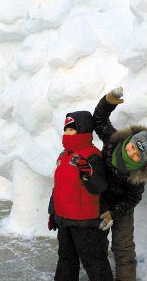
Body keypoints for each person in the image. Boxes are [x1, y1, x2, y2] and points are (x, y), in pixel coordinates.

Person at [93, 87, 147, 281]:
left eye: (137, 155)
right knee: (96, 244)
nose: (131, 153)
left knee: (123, 249)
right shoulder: (113, 141)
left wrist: (113, 213)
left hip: (121, 207)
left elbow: (133, 198)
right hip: (99, 199)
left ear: (144, 161)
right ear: (131, 140)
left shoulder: (138, 175)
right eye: (133, 147)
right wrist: (109, 101)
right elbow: (99, 119)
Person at [48, 111, 113, 281]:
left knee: (94, 261)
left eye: (72, 130)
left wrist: (88, 173)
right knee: (66, 259)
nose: (68, 134)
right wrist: (52, 212)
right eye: (66, 130)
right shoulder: (63, 155)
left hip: (86, 222)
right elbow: (58, 187)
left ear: (83, 130)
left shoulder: (92, 155)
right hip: (64, 219)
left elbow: (99, 187)